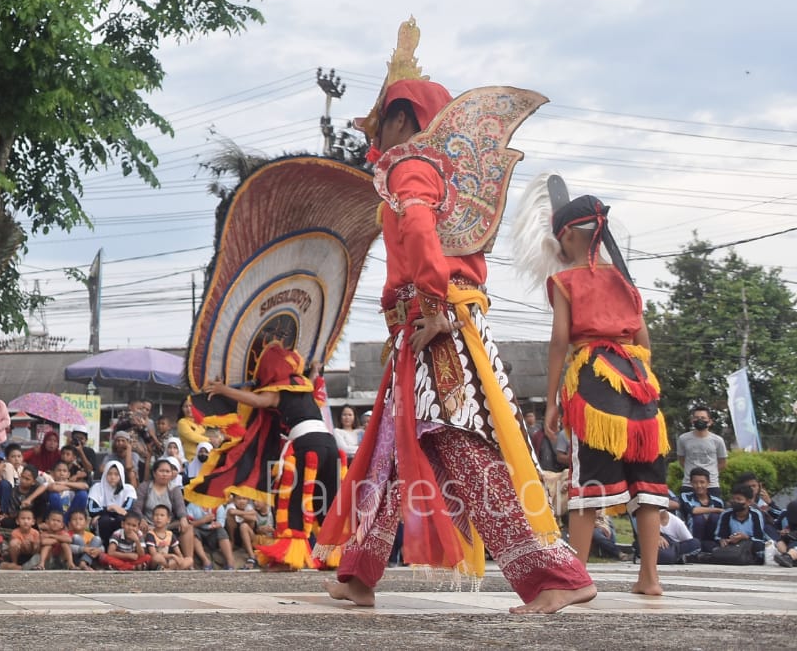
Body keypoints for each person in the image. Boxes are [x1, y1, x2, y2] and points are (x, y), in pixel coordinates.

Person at [318, 39, 594, 613]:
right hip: (425, 324)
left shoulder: (410, 167)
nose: (374, 141)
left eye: (379, 125)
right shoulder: (435, 170)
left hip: (437, 324)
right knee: (393, 449)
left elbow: (419, 232)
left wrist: (438, 307)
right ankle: (359, 573)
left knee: (458, 444)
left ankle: (555, 575)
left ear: (400, 120)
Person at [524, 184, 670, 596]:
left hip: (594, 381)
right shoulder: (625, 280)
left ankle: (577, 577)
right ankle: (650, 579)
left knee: (586, 483)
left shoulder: (565, 280)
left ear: (568, 236)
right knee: (646, 484)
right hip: (640, 385)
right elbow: (644, 341)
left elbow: (559, 341)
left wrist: (551, 400)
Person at [192, 342, 340, 571]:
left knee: (293, 501)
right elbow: (313, 376)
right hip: (330, 445)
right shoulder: (304, 384)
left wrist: (223, 390)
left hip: (307, 446)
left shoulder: (278, 390)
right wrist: (316, 368)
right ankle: (334, 557)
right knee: (327, 500)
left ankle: (289, 559)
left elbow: (257, 401)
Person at [133, 456, 196, 561]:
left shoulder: (174, 489)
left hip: (168, 525)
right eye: (161, 471)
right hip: (148, 525)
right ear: (154, 473)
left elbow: (180, 507)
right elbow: (137, 507)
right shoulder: (145, 487)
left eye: (167, 471)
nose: (164, 474)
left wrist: (183, 518)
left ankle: (188, 561)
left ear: (172, 474)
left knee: (188, 527)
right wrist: (141, 519)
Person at [707, 484, 768, 565]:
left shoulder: (756, 514)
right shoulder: (726, 514)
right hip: (731, 545)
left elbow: (759, 537)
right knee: (708, 545)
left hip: (750, 545)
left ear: (749, 502)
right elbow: (719, 536)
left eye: (739, 499)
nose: (735, 502)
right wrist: (723, 540)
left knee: (760, 546)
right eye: (733, 499)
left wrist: (745, 537)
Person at [676, 407, 729, 489]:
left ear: (710, 422)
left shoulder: (718, 440)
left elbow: (723, 463)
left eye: (703, 418)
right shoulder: (683, 439)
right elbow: (681, 460)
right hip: (689, 484)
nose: (699, 420)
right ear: (692, 420)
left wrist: (710, 473)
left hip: (711, 485)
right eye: (696, 418)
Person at [678, 467, 726, 541]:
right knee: (698, 518)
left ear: (708, 483)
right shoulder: (685, 496)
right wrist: (717, 510)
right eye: (695, 482)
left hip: (711, 538)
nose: (699, 485)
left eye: (702, 482)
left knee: (715, 517)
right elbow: (693, 510)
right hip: (692, 536)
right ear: (691, 483)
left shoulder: (718, 501)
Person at [176, 398, 207, 462]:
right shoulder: (182, 422)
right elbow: (192, 437)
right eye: (185, 406)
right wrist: (210, 440)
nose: (189, 409)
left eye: (191, 406)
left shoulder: (202, 422)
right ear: (182, 409)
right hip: (191, 458)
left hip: (205, 457)